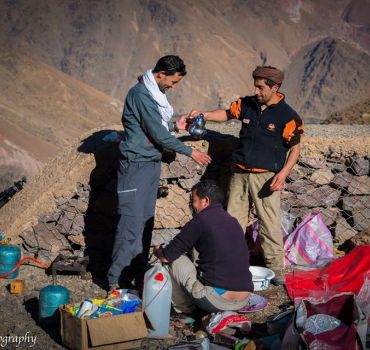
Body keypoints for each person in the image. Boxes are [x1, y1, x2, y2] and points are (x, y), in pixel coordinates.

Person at [190, 66, 303, 285]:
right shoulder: (247, 104)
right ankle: (230, 263)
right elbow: (227, 114)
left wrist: (283, 174)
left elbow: (295, 148)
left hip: (266, 178)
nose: (257, 91)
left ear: (275, 88)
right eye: (255, 86)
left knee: (269, 222)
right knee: (232, 221)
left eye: (261, 87)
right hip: (239, 173)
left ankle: (276, 268)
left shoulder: (288, 116)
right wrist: (204, 115)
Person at [107, 55, 211, 291]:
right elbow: (158, 135)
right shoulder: (140, 95)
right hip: (136, 165)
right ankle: (115, 280)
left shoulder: (152, 95)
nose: (173, 87)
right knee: (130, 224)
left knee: (144, 222)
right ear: (160, 74)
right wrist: (190, 151)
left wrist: (177, 126)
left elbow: (155, 126)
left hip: (149, 164)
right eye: (173, 81)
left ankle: (135, 274)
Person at [154, 180, 254, 313]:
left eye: (194, 200)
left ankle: (185, 309)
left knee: (172, 261)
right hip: (243, 300)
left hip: (217, 301)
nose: (193, 205)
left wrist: (158, 252)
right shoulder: (233, 221)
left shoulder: (200, 220)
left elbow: (167, 256)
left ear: (205, 201)